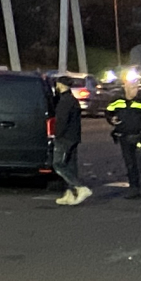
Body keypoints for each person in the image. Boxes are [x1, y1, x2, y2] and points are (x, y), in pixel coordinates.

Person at [106, 76, 141, 201]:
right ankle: (134, 188)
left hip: (140, 137)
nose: (135, 91)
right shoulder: (118, 102)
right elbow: (108, 112)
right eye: (132, 88)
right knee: (130, 165)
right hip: (124, 137)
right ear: (125, 89)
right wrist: (111, 119)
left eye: (136, 88)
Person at [50, 78, 92, 206]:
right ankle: (70, 193)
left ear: (61, 85)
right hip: (73, 137)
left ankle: (79, 187)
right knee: (70, 165)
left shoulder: (65, 101)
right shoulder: (71, 99)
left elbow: (62, 121)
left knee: (58, 164)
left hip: (65, 138)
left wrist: (56, 134)